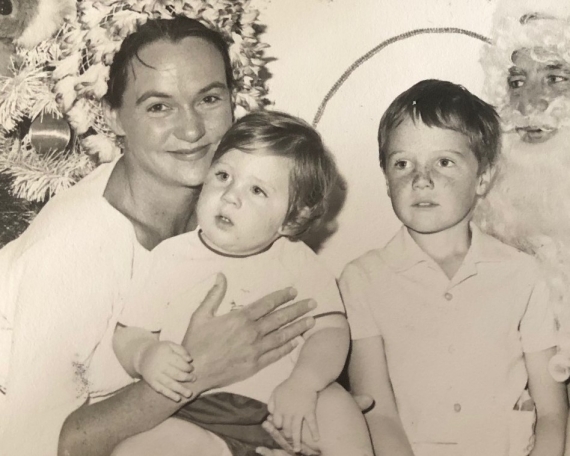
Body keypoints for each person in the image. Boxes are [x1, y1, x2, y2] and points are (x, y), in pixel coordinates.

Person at [0, 17, 318, 456]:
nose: (191, 130)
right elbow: (30, 444)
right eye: (158, 107)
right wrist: (197, 373)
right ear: (113, 117)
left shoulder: (233, 216)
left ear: (233, 101)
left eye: (209, 99)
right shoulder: (73, 249)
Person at [109, 110, 373, 456]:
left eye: (257, 190)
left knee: (338, 408)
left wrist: (304, 383)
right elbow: (128, 332)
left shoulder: (298, 262)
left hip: (283, 405)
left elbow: (330, 331)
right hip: (194, 413)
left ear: (292, 219)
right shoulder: (169, 257)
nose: (230, 195)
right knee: (137, 450)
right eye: (223, 176)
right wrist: (145, 354)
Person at [340, 79, 568, 456]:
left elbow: (552, 413)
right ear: (386, 181)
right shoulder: (362, 279)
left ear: (483, 178)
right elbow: (378, 414)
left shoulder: (524, 275)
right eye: (402, 164)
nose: (421, 179)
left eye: (444, 162)